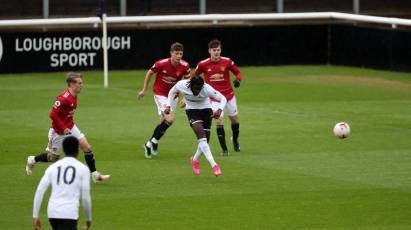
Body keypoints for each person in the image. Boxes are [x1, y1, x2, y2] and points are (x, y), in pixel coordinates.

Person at [25, 72, 110, 183]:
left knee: (87, 147)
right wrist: (63, 128)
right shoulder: (63, 98)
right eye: (79, 83)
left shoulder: (74, 95)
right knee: (54, 158)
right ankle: (32, 160)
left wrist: (68, 127)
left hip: (71, 126)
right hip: (57, 132)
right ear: (71, 84)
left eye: (82, 83)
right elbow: (52, 115)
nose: (82, 85)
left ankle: (94, 175)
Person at [137, 42, 190, 158]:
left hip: (173, 96)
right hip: (160, 94)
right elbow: (149, 73)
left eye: (181, 54)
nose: (179, 56)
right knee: (170, 119)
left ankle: (149, 143)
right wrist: (144, 90)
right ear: (171, 53)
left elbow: (188, 83)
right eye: (176, 53)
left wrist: (186, 98)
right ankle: (154, 142)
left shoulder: (185, 66)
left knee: (163, 122)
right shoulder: (161, 64)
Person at [165, 77, 226, 176]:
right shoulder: (182, 85)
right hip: (192, 111)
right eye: (196, 88)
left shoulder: (207, 88)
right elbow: (172, 91)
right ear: (191, 85)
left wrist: (219, 110)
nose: (197, 91)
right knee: (202, 138)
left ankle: (195, 160)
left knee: (205, 141)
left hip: (206, 111)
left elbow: (223, 98)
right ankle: (214, 165)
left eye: (200, 88)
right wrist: (168, 105)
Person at [194, 39, 243, 156]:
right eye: (214, 50)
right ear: (209, 51)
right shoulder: (203, 64)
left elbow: (238, 73)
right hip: (213, 98)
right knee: (219, 120)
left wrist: (238, 80)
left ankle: (235, 141)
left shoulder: (227, 61)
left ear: (221, 50)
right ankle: (224, 150)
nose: (216, 52)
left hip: (229, 96)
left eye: (218, 50)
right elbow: (194, 77)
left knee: (235, 121)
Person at [33, 136, 92, 230]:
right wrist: (88, 219)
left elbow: (40, 190)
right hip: (69, 213)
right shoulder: (83, 169)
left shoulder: (53, 167)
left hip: (52, 212)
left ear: (63, 149)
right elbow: (85, 198)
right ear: (77, 149)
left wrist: (35, 215)